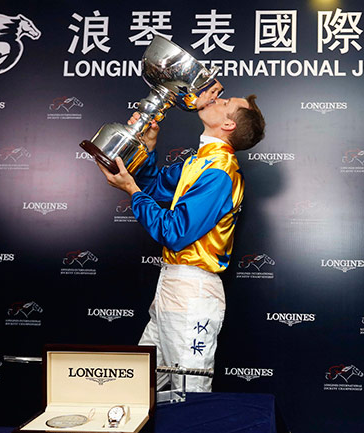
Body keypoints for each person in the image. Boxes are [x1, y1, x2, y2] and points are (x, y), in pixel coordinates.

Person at [97, 80, 265, 392]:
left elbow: (174, 232)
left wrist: (131, 191)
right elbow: (152, 186)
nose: (218, 98)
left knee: (190, 393)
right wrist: (147, 145)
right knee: (138, 386)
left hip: (193, 291)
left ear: (228, 124)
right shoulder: (200, 162)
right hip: (173, 286)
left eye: (225, 102)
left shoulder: (219, 172)